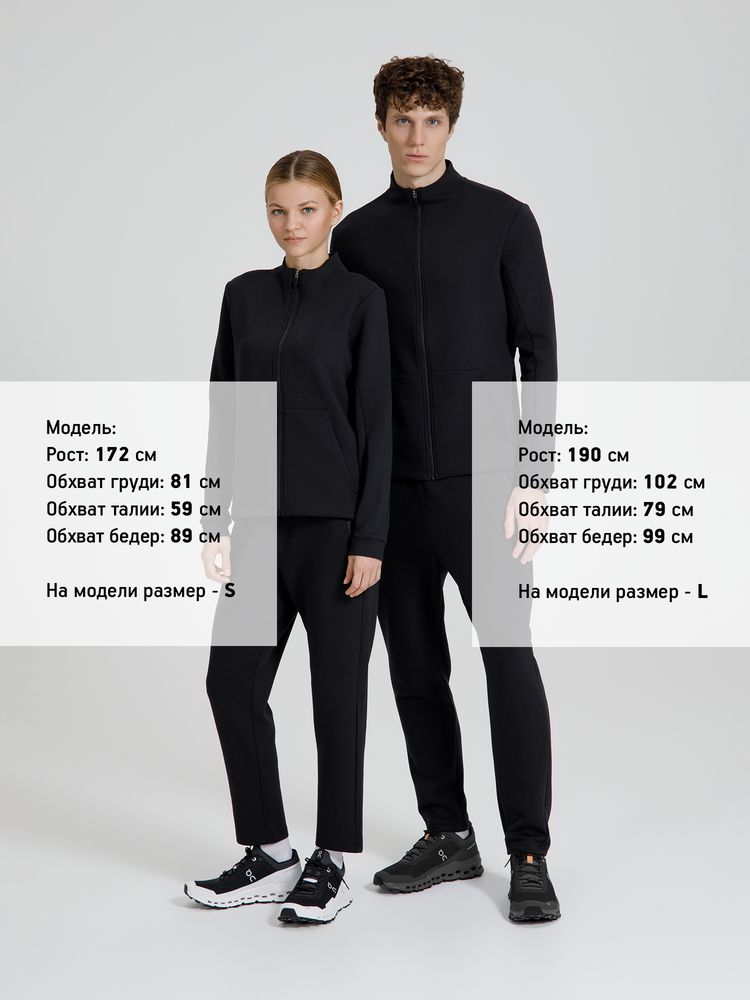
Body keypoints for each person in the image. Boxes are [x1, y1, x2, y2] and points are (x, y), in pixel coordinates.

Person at [331, 55, 561, 921]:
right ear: (381, 126)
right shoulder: (356, 238)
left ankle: (528, 852)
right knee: (415, 667)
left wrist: (535, 475)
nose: (417, 136)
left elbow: (539, 353)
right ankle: (448, 834)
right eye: (403, 119)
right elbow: (342, 373)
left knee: (508, 660)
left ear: (451, 126)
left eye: (431, 120)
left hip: (487, 487)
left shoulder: (505, 221)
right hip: (393, 493)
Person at [184, 150, 392, 925]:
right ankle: (271, 852)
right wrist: (212, 514)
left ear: (334, 209)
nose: (291, 224)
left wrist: (370, 538)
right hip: (259, 527)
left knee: (337, 699)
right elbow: (225, 409)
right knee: (231, 685)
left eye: (306, 209)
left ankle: (332, 861)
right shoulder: (243, 297)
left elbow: (378, 425)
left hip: (337, 534)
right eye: (278, 210)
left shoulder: (363, 301)